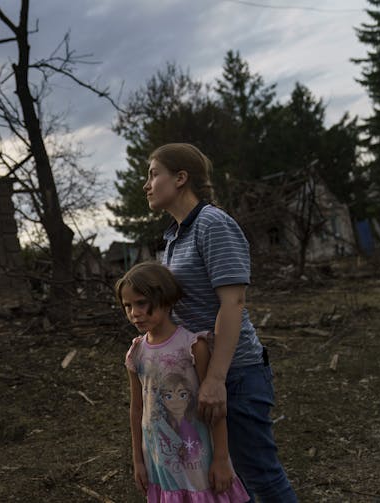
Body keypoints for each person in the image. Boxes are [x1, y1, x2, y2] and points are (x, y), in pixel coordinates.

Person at [142, 143, 296, 501]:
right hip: (203, 372)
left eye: (153, 174)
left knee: (261, 477)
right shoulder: (173, 237)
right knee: (230, 478)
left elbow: (233, 303)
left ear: (181, 178)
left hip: (235, 372)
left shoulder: (212, 224)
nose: (146, 184)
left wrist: (215, 379)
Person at [119, 261, 249, 502]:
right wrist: (138, 460)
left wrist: (221, 458)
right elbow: (137, 409)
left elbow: (215, 408)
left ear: (166, 300)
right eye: (127, 305)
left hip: (197, 457)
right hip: (159, 458)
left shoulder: (193, 347)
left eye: (141, 303)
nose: (134, 313)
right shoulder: (135, 353)